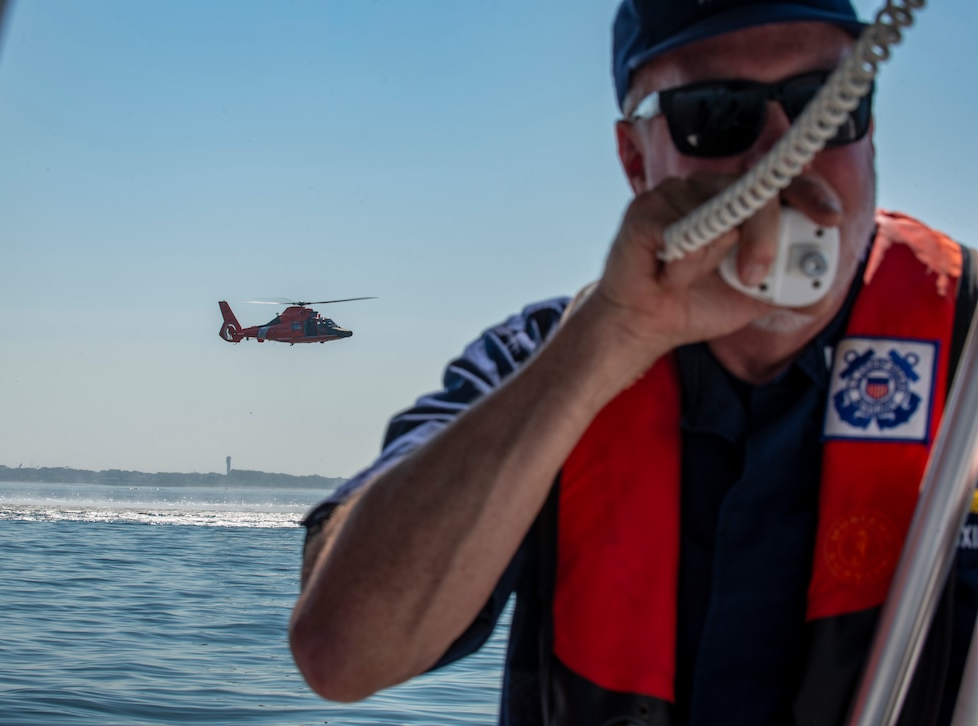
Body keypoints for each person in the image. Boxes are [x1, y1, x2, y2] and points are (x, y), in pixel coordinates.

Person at [289, 1, 978, 724]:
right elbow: (342, 654)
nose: (784, 157)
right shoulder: (540, 365)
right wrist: (608, 341)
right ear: (634, 159)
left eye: (826, 108)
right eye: (715, 112)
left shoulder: (969, 347)